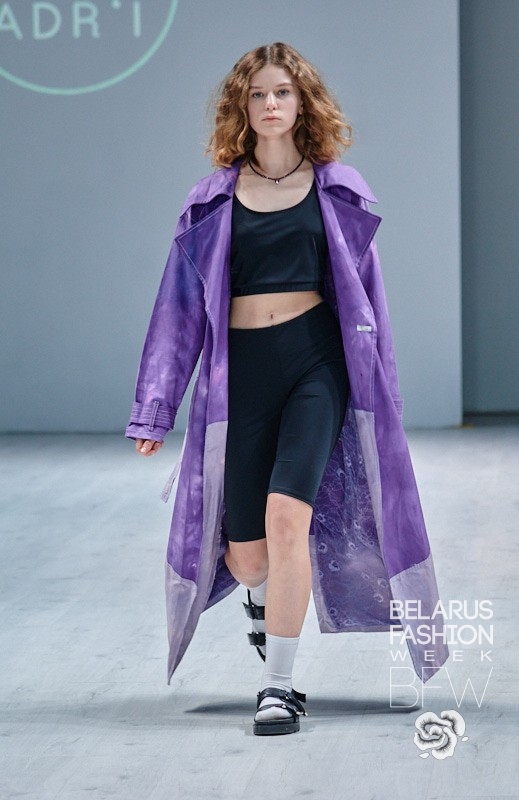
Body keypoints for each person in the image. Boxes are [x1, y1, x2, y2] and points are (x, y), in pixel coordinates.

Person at [125, 42, 449, 736]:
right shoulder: (212, 199)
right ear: (240, 108)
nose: (270, 104)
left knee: (286, 518)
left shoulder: (337, 190)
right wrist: (155, 408)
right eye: (257, 94)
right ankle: (263, 599)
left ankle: (278, 687)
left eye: (282, 92)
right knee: (247, 559)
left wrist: (385, 398)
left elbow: (370, 301)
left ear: (302, 103)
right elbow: (177, 310)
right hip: (239, 375)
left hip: (314, 365)